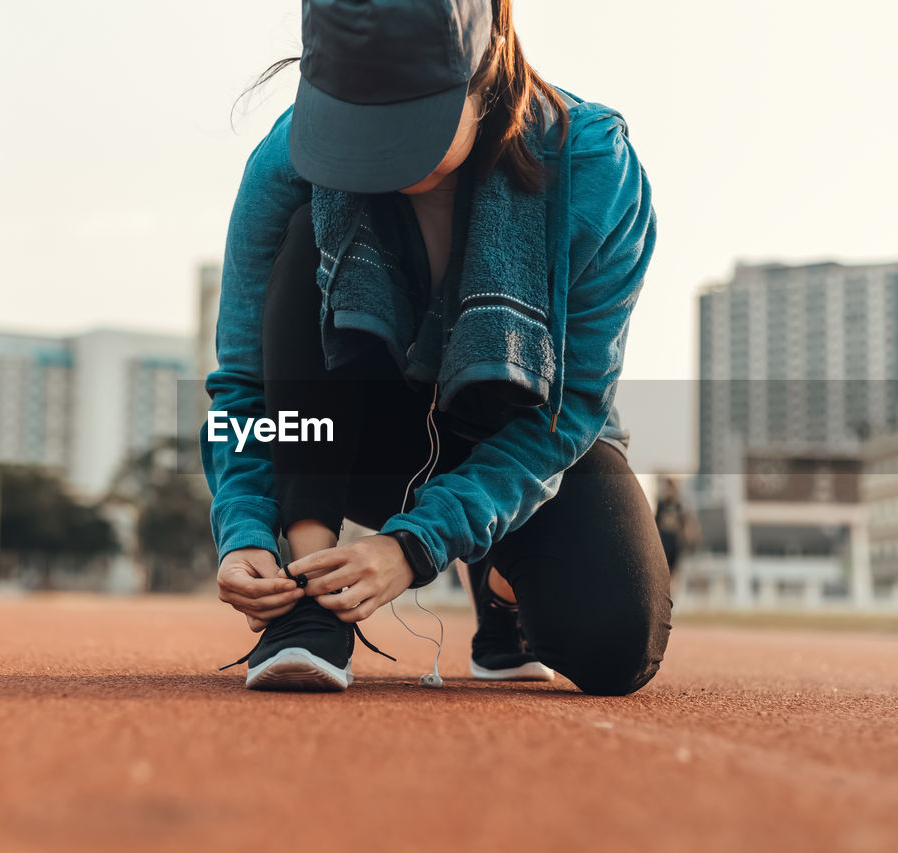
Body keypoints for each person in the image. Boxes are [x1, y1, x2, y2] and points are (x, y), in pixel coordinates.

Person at [201, 0, 671, 695]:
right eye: (350, 117)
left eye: (404, 121)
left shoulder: (597, 167)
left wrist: (414, 544)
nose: (371, 152)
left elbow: (566, 414)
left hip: (520, 430)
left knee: (612, 645)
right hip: (357, 436)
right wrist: (243, 530)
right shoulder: (286, 157)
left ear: (490, 61)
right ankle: (311, 592)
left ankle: (500, 582)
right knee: (308, 237)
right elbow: (243, 381)